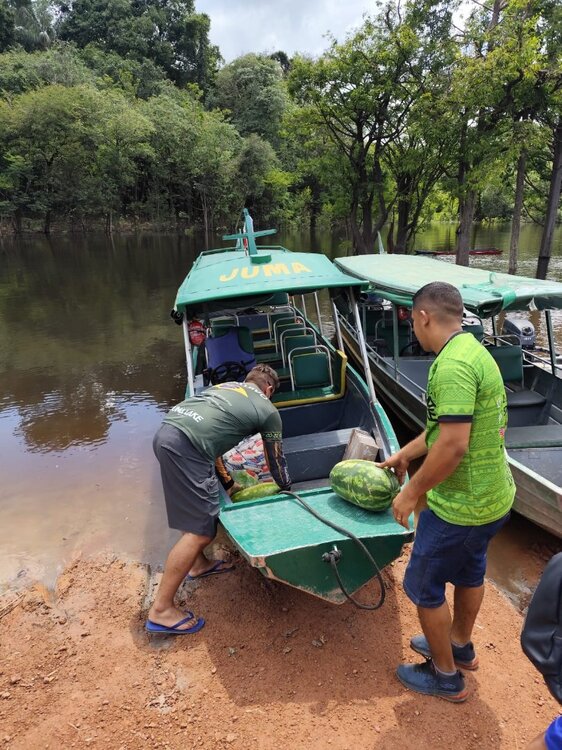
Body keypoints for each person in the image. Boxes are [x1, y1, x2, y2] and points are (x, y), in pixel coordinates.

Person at [378, 281, 515, 702]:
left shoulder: (451, 367)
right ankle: (459, 645)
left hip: (461, 507)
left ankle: (444, 675)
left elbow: (453, 446)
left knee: (424, 585)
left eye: (411, 321)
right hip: (494, 498)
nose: (412, 329)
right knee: (471, 571)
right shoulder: (473, 350)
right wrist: (405, 454)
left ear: (423, 317)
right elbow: (443, 430)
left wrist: (411, 493)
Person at [147, 363, 291, 635]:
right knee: (202, 532)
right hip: (187, 448)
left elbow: (213, 440)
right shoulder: (268, 410)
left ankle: (198, 565)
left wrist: (228, 484)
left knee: (191, 513)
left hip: (167, 434)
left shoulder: (224, 389)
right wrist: (286, 489)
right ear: (269, 389)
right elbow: (275, 460)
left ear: (247, 380)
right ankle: (161, 610)